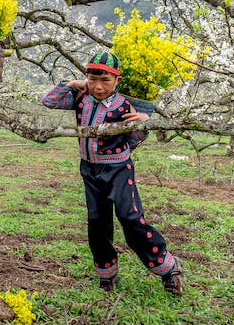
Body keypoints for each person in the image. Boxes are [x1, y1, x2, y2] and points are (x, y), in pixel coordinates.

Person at [41, 51, 184, 296]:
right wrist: (74, 84)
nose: (98, 87)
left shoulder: (125, 105)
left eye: (105, 80)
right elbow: (49, 101)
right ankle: (106, 273)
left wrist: (144, 122)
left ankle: (167, 267)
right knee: (97, 222)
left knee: (131, 219)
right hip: (89, 169)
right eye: (92, 79)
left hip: (118, 170)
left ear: (117, 80)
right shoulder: (80, 98)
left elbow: (136, 140)